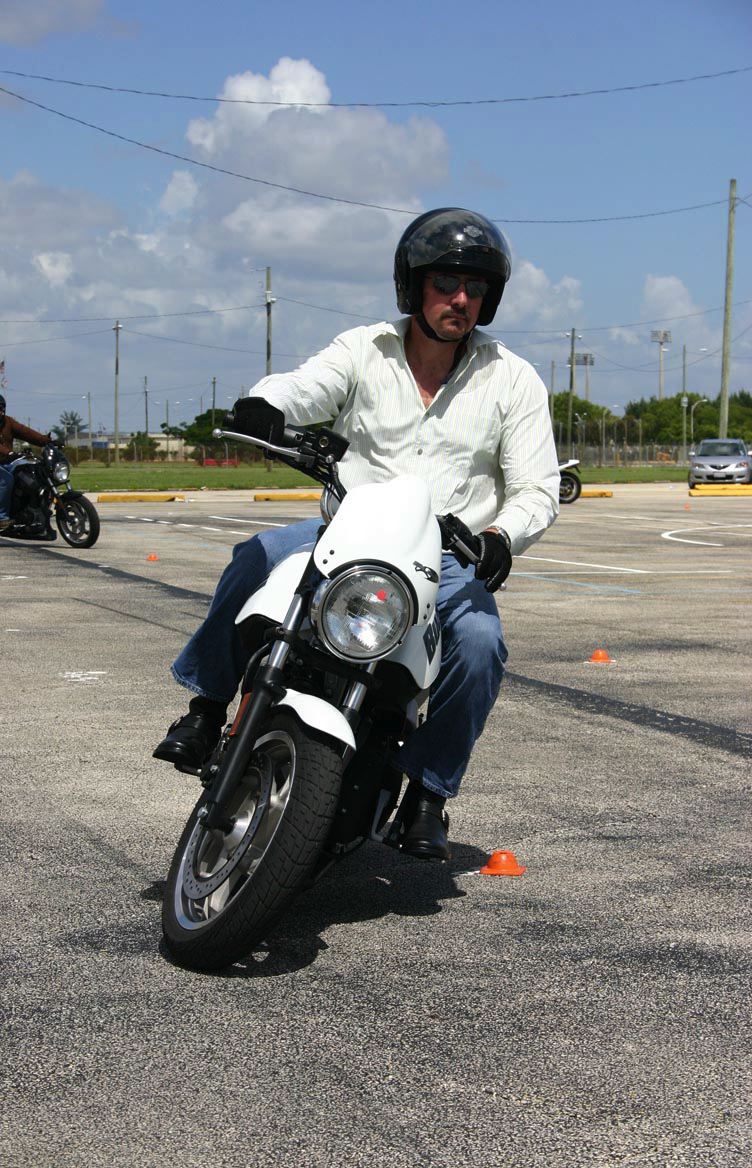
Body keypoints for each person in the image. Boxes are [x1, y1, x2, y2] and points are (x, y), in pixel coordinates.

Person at [154, 207, 560, 860]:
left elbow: (537, 487)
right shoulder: (364, 349)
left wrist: (501, 536)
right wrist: (267, 404)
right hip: (346, 532)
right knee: (253, 557)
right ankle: (206, 710)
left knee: (481, 643)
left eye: (475, 288)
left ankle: (427, 792)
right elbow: (304, 387)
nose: (460, 299)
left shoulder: (512, 378)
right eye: (446, 283)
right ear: (413, 285)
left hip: (443, 557)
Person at [0, 393, 52, 530]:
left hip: (5, 463)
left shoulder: (7, 421)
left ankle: (29, 509)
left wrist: (47, 441)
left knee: (31, 471)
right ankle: (0, 517)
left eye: (2, 408)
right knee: (5, 479)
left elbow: (25, 432)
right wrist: (8, 453)